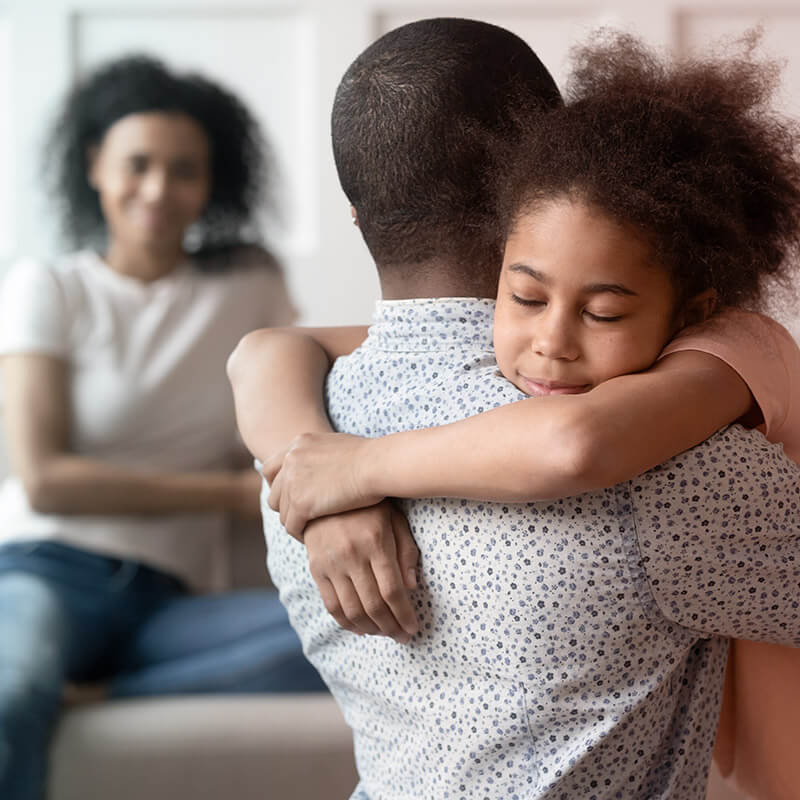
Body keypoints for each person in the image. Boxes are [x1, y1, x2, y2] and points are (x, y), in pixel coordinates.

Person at [229, 20, 800, 799]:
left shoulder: (299, 450)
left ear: (358, 216)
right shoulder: (666, 461)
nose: (558, 342)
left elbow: (266, 349)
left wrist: (342, 465)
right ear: (529, 183)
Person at [0, 55, 325, 800]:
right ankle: (53, 678)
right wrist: (228, 495)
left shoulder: (249, 282)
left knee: (345, 636)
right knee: (10, 689)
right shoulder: (48, 286)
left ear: (213, 182)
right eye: (137, 164)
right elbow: (46, 479)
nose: (158, 189)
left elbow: (299, 400)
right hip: (45, 573)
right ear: (93, 165)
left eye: (185, 170)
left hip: (172, 598)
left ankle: (90, 686)